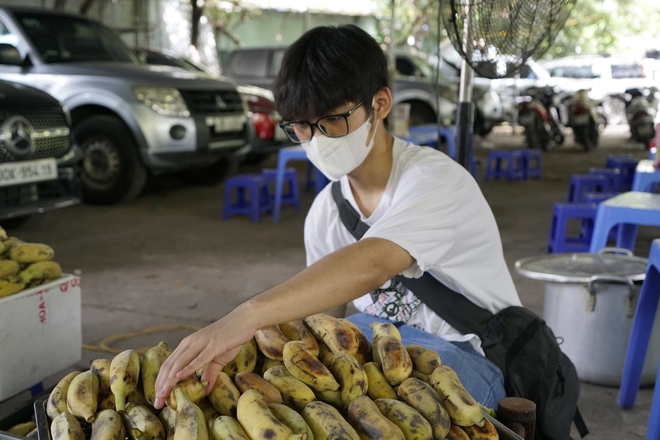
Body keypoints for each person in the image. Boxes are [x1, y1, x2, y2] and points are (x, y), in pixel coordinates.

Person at [153, 24, 521, 410]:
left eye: (332, 119)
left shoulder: (434, 183)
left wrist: (247, 316)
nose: (317, 138)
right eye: (301, 126)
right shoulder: (326, 211)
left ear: (379, 104)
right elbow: (324, 317)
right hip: (374, 347)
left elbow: (373, 263)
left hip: (466, 351)